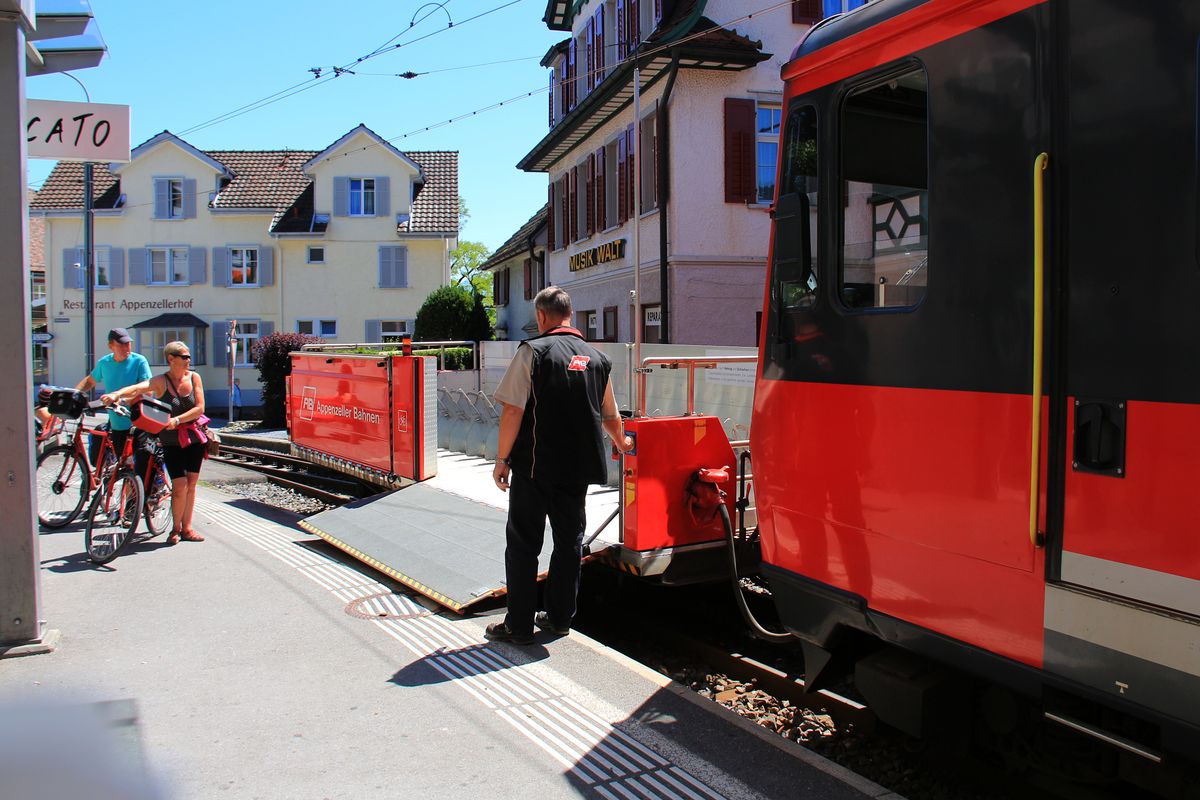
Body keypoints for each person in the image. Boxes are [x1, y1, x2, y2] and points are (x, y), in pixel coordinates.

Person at [485, 286, 633, 645]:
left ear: (540, 316)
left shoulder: (533, 351)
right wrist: (623, 444)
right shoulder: (597, 359)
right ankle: (559, 619)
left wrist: (502, 460)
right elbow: (610, 415)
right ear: (571, 314)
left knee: (524, 543)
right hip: (576, 471)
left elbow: (513, 410)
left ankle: (518, 625)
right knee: (569, 542)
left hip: (534, 467)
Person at [112, 341, 207, 545]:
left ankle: (187, 528)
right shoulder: (161, 381)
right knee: (179, 485)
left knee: (191, 483)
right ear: (171, 359)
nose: (188, 360)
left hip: (193, 438)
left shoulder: (194, 377)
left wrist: (178, 420)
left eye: (189, 356)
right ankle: (175, 529)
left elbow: (200, 408)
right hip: (171, 440)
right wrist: (116, 394)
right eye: (184, 356)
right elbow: (139, 388)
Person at [78, 328, 153, 479]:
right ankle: (131, 500)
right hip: (117, 424)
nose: (127, 348)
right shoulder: (104, 363)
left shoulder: (139, 361)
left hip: (138, 423)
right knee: (124, 467)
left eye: (128, 344)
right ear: (110, 346)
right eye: (122, 345)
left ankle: (138, 500)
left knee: (138, 470)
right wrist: (75, 394)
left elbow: (147, 391)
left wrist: (122, 399)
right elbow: (90, 380)